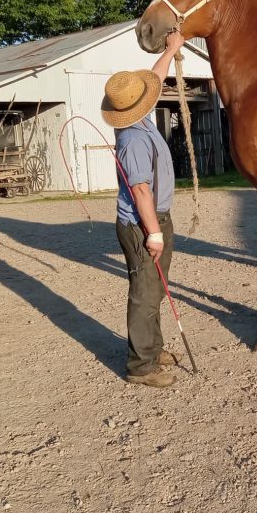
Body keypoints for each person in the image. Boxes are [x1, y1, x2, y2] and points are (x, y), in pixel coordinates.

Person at [101, 30, 187, 388]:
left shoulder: (139, 120)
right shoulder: (134, 139)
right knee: (145, 292)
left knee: (154, 289)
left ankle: (151, 348)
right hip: (142, 224)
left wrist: (171, 49)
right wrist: (153, 232)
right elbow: (140, 189)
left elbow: (156, 77)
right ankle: (141, 366)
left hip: (154, 219)